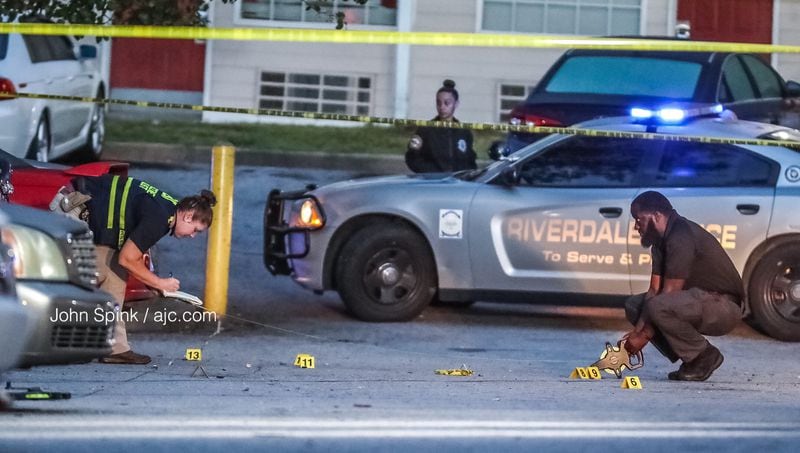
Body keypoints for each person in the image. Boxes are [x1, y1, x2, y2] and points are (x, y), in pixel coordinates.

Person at [75, 174, 216, 365]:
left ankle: (114, 349)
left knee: (114, 276)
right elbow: (127, 258)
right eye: (196, 230)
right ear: (188, 216)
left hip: (88, 215)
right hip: (74, 211)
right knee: (80, 277)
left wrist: (151, 281)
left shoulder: (168, 208)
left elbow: (135, 252)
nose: (193, 236)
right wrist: (158, 282)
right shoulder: (160, 218)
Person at [623, 191, 743, 381]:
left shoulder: (681, 235)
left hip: (723, 307)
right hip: (696, 301)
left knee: (659, 306)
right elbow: (654, 290)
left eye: (638, 219)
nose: (636, 226)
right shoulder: (659, 242)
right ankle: (692, 359)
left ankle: (704, 356)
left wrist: (643, 337)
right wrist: (635, 334)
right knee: (635, 305)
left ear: (656, 215)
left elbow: (669, 294)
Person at [405, 79, 477, 173]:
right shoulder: (425, 130)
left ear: (456, 104)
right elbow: (412, 157)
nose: (442, 107)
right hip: (433, 183)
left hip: (457, 183)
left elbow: (470, 161)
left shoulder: (464, 132)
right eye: (438, 103)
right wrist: (430, 173)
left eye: (447, 103)